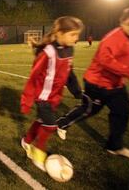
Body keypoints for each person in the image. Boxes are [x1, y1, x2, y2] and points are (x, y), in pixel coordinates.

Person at [57, 6, 129, 160]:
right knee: (89, 110)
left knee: (123, 111)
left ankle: (115, 146)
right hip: (97, 83)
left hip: (116, 85)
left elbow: (126, 59)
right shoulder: (113, 38)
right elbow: (105, 60)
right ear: (122, 22)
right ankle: (61, 123)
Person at [20, 16, 84, 171]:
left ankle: (27, 141)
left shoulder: (70, 49)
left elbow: (69, 72)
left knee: (42, 121)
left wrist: (76, 90)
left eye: (77, 34)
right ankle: (38, 155)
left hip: (55, 97)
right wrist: (26, 101)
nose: (76, 38)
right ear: (60, 33)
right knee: (50, 126)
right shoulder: (47, 52)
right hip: (43, 97)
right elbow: (34, 78)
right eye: (73, 34)